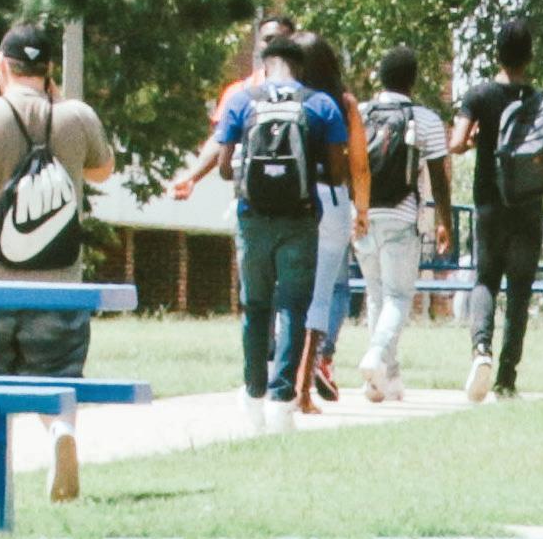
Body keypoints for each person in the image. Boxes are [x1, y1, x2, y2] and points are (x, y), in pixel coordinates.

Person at [0, 22, 118, 502]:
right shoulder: (76, 116)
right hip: (58, 284)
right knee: (58, 375)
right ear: (49, 70)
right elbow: (102, 169)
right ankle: (60, 431)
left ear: (0, 65)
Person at [169, 32, 346, 431]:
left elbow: (225, 166)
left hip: (253, 218)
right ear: (300, 67)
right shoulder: (321, 104)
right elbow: (336, 173)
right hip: (300, 220)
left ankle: (253, 395)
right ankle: (283, 401)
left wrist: (200, 177)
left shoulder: (241, 101)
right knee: (294, 307)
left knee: (256, 306)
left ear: (265, 66)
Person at [452, 22, 543, 402]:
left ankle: (481, 349)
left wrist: (476, 140)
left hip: (489, 202)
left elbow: (455, 143)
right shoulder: (541, 100)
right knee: (520, 290)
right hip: (528, 203)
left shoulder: (479, 95)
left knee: (486, 280)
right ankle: (507, 378)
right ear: (530, 56)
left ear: (497, 54)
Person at [352, 46, 453, 403]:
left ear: (380, 78)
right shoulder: (425, 119)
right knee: (397, 296)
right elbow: (439, 177)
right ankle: (377, 354)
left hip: (363, 215)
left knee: (376, 294)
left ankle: (386, 378)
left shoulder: (361, 113)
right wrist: (445, 221)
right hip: (402, 214)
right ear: (413, 80)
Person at [291, 33, 369, 408]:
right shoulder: (343, 103)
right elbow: (359, 166)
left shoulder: (281, 100)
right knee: (321, 296)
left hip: (288, 200)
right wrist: (362, 211)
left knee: (287, 295)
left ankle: (278, 379)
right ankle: (303, 390)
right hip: (330, 199)